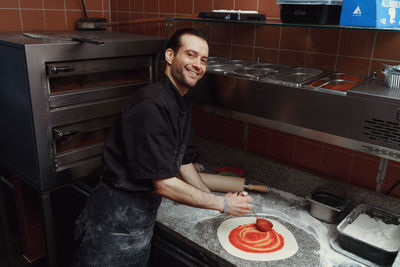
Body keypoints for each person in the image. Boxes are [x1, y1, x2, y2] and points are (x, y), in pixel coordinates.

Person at [71, 28, 253, 267]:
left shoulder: (179, 103)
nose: (197, 64)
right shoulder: (151, 104)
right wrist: (223, 204)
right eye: (190, 54)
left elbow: (184, 163)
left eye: (203, 59)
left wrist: (212, 198)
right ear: (169, 56)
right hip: (112, 223)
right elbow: (163, 182)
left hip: (139, 220)